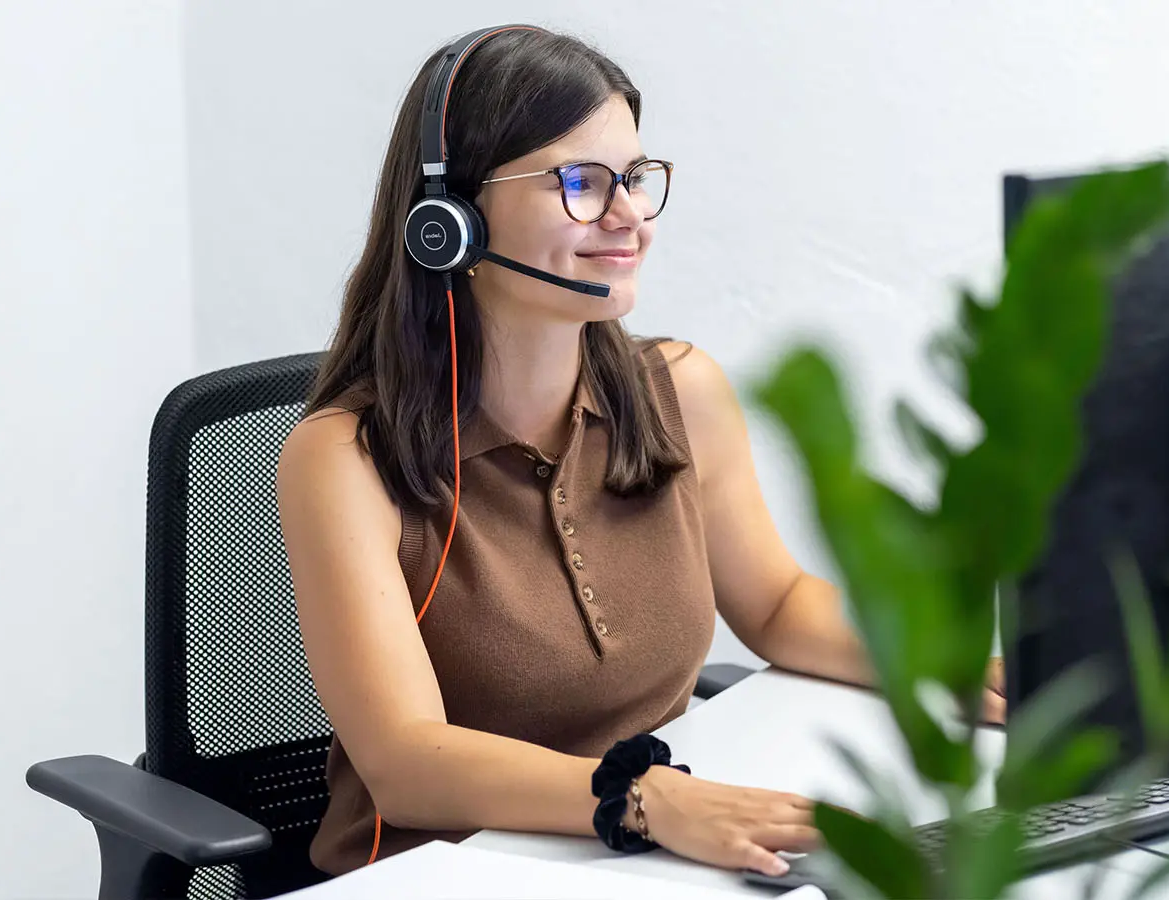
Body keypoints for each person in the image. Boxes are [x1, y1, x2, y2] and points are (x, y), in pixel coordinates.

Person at [276, 25, 1006, 879]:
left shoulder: (680, 393)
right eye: (581, 183)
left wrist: (945, 667)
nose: (629, 219)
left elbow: (776, 605)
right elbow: (406, 764)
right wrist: (646, 798)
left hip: (645, 859)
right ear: (450, 223)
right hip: (439, 871)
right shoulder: (345, 459)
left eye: (634, 178)